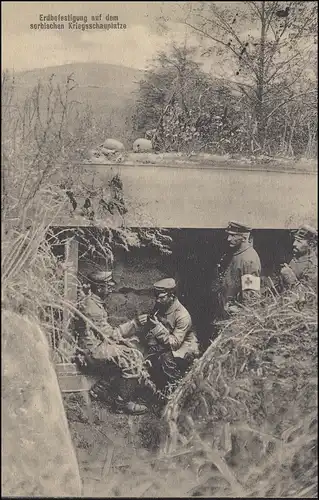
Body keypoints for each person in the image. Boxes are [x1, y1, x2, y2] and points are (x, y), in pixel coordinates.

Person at [75, 269, 150, 415]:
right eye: (108, 286)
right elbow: (110, 335)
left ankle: (100, 389)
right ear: (99, 287)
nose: (110, 289)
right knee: (131, 357)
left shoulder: (92, 302)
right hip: (92, 351)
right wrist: (134, 323)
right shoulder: (92, 308)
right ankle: (122, 403)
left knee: (127, 351)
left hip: (93, 346)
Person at [138, 278, 200, 394]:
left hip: (185, 347)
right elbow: (152, 333)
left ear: (172, 296)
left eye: (162, 297)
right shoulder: (161, 305)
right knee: (146, 355)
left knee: (166, 359)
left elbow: (175, 344)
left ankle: (177, 389)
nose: (158, 300)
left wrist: (156, 327)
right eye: (157, 297)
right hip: (166, 342)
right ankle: (155, 389)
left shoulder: (182, 315)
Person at [213, 221, 261, 318]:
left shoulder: (248, 260)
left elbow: (251, 296)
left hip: (236, 317)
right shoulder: (236, 254)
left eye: (233, 235)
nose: (228, 238)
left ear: (244, 237)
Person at [280, 224, 317, 291]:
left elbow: (306, 296)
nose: (294, 244)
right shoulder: (298, 255)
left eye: (299, 241)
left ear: (310, 244)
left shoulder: (313, 267)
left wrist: (289, 277)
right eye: (295, 240)